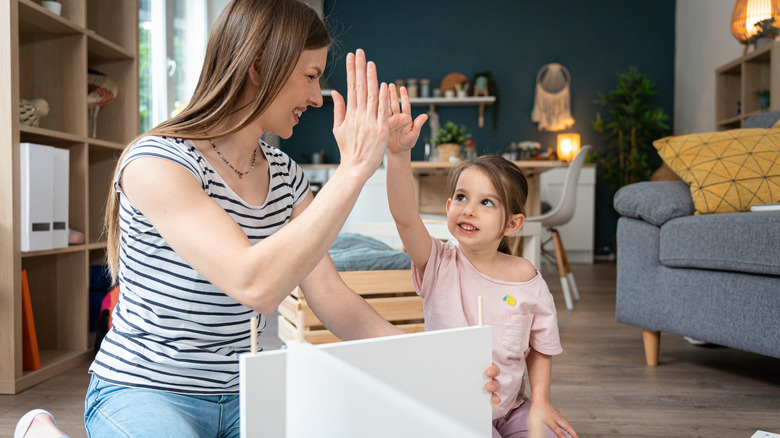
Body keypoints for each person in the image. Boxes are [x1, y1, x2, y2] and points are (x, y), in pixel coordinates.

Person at [15, 1, 500, 437]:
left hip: (254, 388)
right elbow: (254, 283)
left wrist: (436, 364)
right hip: (147, 388)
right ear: (259, 66)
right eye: (310, 76)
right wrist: (354, 168)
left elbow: (331, 298)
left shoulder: (286, 175)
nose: (315, 97)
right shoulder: (156, 163)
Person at [385, 84, 579, 438]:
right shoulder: (438, 263)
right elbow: (405, 217)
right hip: (450, 410)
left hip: (510, 409)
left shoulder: (526, 278)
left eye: (486, 202)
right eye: (461, 197)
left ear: (513, 224)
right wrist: (397, 156)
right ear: (448, 208)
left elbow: (540, 346)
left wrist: (542, 401)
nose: (469, 209)